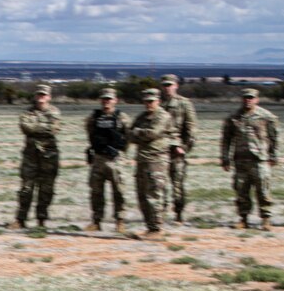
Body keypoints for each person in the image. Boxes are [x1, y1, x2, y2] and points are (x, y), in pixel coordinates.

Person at [221, 88, 279, 230]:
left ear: (256, 99)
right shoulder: (234, 117)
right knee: (241, 191)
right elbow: (226, 139)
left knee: (263, 191)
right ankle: (243, 218)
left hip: (259, 160)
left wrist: (273, 155)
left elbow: (274, 137)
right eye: (246, 97)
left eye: (251, 98)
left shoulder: (266, 116)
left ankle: (266, 219)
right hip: (240, 160)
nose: (248, 100)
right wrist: (225, 158)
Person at [128, 88, 174, 238]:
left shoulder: (163, 116)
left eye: (151, 101)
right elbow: (129, 135)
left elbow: (152, 133)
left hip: (156, 160)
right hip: (142, 159)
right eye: (146, 101)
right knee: (142, 195)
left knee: (154, 194)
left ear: (158, 101)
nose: (148, 104)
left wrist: (137, 132)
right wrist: (138, 133)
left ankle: (156, 228)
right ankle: (149, 227)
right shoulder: (142, 117)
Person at [84, 88, 130, 232]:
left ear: (115, 100)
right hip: (98, 158)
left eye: (109, 99)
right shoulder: (93, 117)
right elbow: (90, 133)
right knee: (96, 191)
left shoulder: (122, 118)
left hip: (115, 159)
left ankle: (120, 221)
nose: (106, 102)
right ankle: (96, 221)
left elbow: (128, 137)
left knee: (119, 191)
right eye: (104, 99)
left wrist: (121, 152)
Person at [16, 84, 61, 228]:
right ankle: (21, 219)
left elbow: (53, 129)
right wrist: (43, 127)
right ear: (35, 96)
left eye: (44, 95)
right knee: (26, 188)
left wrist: (35, 128)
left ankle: (41, 219)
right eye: (39, 95)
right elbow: (25, 127)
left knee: (46, 189)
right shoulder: (27, 112)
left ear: (49, 97)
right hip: (30, 156)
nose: (41, 98)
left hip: (49, 156)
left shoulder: (54, 112)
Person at [159, 74, 198, 223]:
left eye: (170, 85)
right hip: (159, 150)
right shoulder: (157, 103)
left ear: (176, 86)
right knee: (159, 184)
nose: (167, 88)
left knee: (177, 184)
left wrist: (185, 147)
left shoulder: (184, 104)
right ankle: (159, 213)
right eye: (165, 85)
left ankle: (178, 214)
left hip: (176, 151)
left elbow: (191, 129)